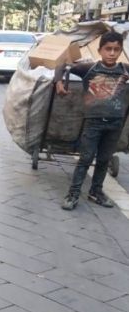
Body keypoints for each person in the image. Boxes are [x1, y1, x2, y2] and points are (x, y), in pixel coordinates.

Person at [54, 31, 129, 210]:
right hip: (93, 122)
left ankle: (96, 192)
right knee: (85, 159)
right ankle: (73, 194)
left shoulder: (125, 69)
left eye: (116, 49)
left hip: (115, 123)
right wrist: (59, 83)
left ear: (121, 51)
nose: (112, 53)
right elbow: (61, 66)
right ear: (100, 50)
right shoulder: (89, 68)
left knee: (104, 159)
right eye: (108, 49)